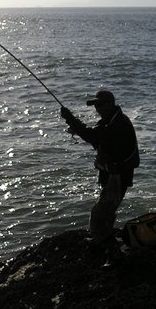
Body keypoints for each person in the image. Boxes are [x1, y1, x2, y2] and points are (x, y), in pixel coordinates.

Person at [60, 89, 139, 263]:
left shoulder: (118, 124)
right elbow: (97, 138)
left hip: (117, 178)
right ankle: (105, 247)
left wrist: (70, 118)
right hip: (112, 177)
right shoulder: (110, 121)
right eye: (95, 105)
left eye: (100, 104)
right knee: (107, 213)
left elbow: (93, 136)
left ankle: (113, 256)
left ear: (111, 104)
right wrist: (76, 127)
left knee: (99, 215)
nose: (97, 109)